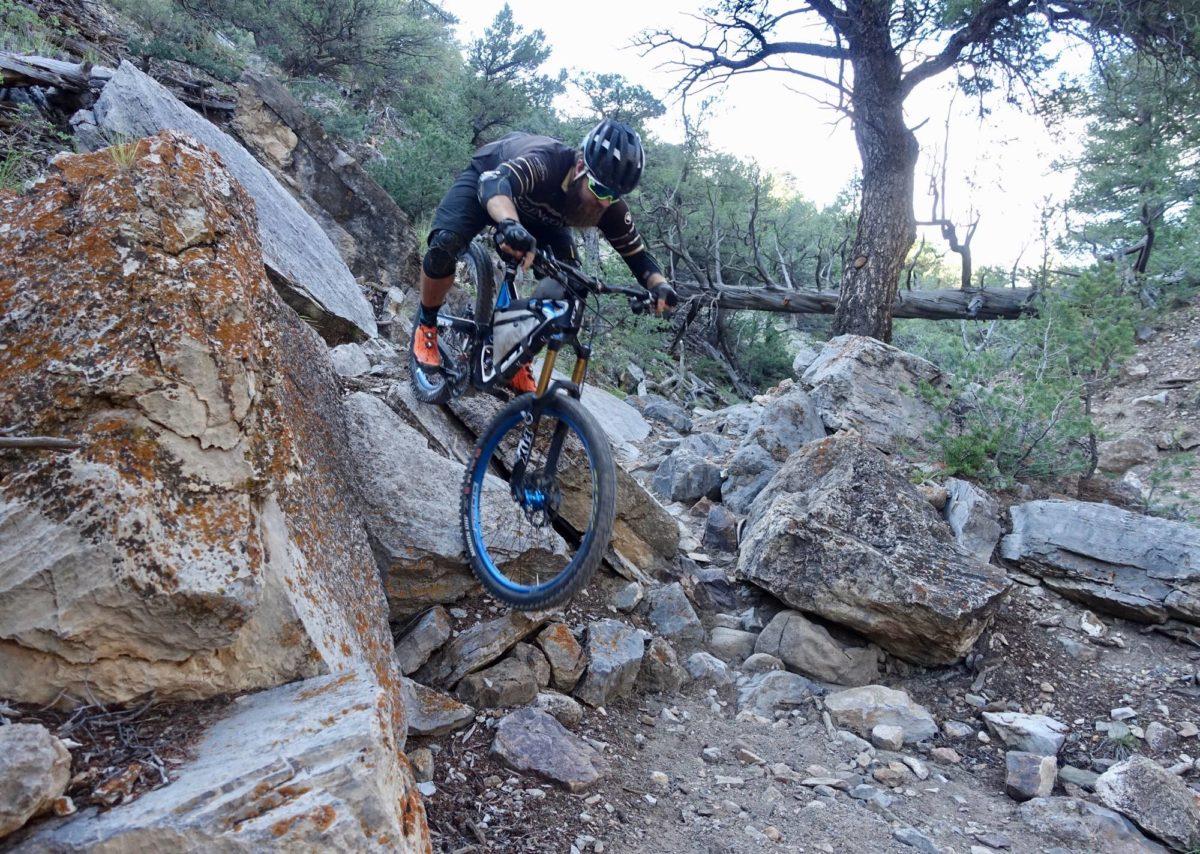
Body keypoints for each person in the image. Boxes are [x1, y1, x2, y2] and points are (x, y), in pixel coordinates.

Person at [412, 118, 678, 393]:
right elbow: (495, 183)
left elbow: (638, 257)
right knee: (446, 243)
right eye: (598, 189)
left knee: (569, 286)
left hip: (544, 218)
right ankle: (426, 324)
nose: (604, 202)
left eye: (613, 196)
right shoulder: (547, 162)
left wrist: (660, 286)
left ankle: (516, 352)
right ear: (579, 169)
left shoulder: (609, 206)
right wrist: (510, 224)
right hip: (491, 180)